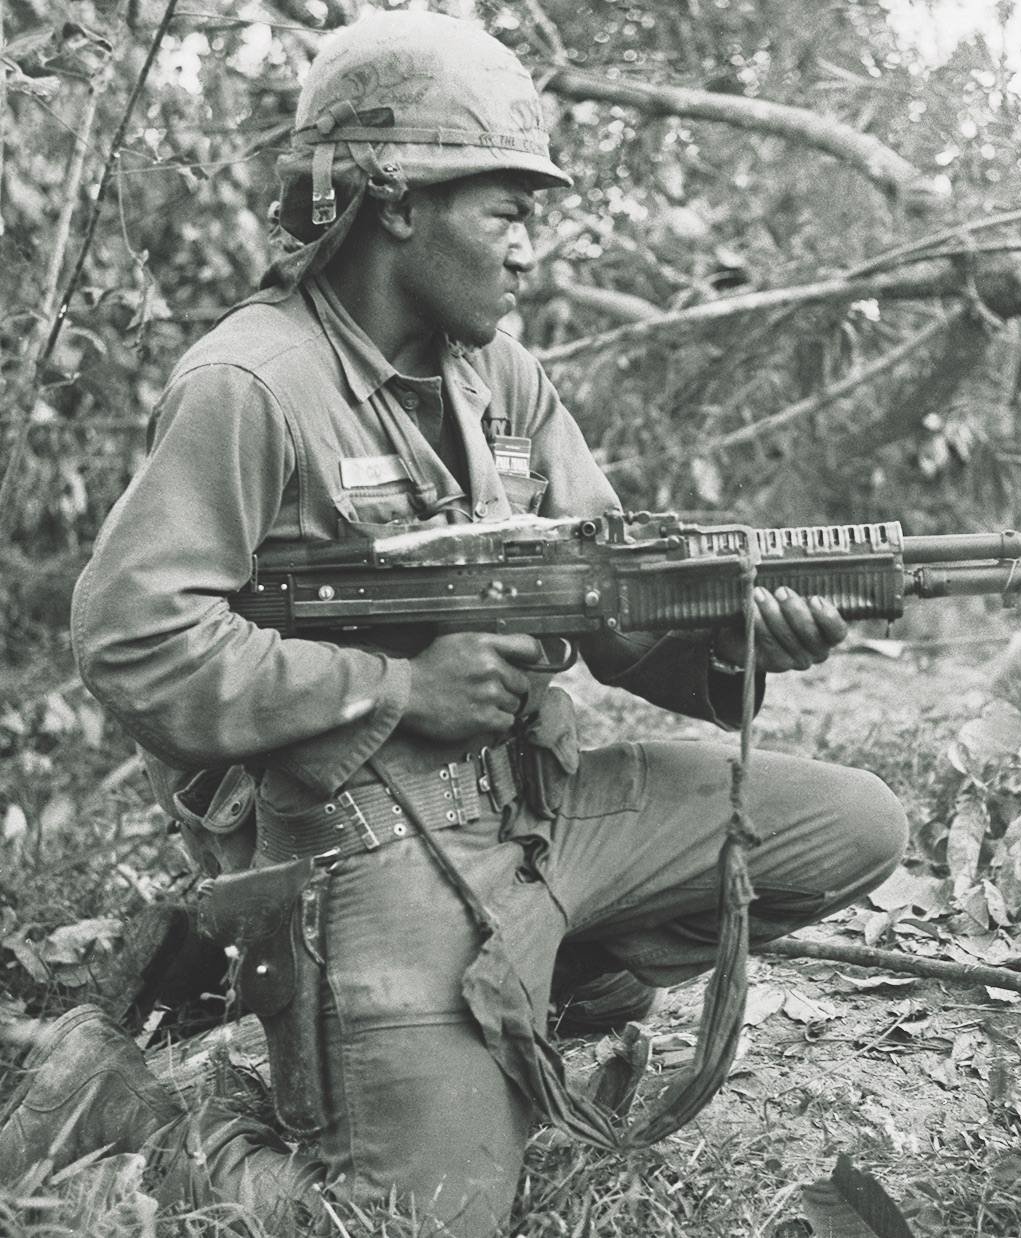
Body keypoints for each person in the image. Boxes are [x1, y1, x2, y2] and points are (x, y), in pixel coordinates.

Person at [1, 11, 907, 1236]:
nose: (533, 249)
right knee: (421, 1218)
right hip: (361, 834)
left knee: (852, 823)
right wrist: (396, 691)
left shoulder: (504, 377)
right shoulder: (251, 385)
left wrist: (742, 634)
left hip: (536, 801)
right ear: (396, 205)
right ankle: (128, 1115)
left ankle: (537, 983)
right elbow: (133, 640)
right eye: (508, 211)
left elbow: (612, 601)